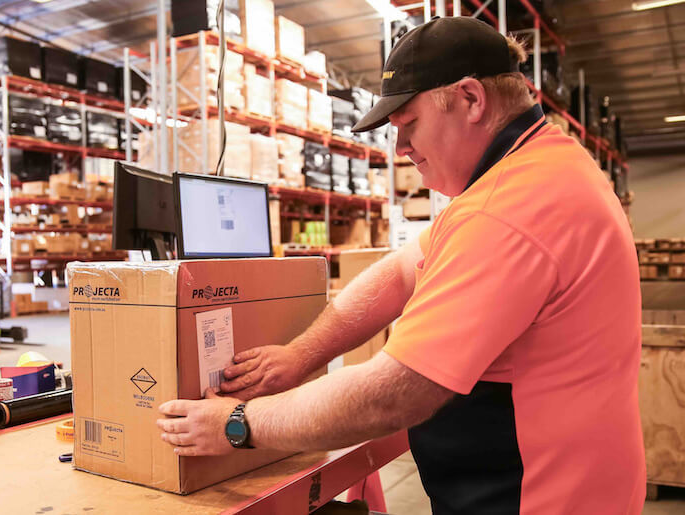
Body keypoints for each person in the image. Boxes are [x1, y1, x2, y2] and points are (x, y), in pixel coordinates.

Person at [157, 16, 645, 514]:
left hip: (540, 498)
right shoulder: (539, 168)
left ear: (471, 100)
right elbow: (399, 272)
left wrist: (238, 424)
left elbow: (392, 395)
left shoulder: (507, 209)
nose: (402, 149)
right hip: (580, 484)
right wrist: (297, 357)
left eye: (409, 125)